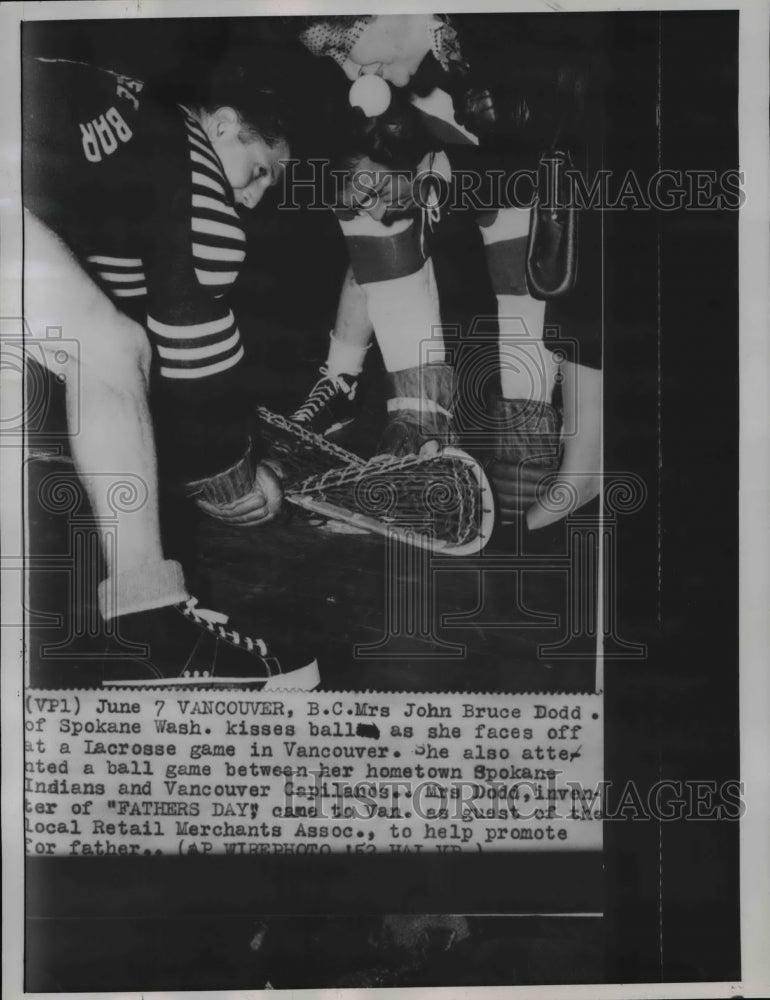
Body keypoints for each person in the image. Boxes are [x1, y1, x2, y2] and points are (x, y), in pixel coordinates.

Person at [22, 53, 319, 688]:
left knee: (99, 342)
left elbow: (124, 295)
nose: (256, 196)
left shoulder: (147, 143)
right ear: (223, 126)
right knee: (107, 346)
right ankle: (152, 633)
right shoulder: (192, 164)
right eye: (261, 171)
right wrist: (231, 476)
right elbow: (192, 350)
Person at [293, 13, 603, 530]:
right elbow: (373, 213)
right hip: (474, 158)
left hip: (558, 166)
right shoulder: (383, 83)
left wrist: (528, 428)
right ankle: (416, 432)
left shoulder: (509, 40)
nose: (351, 69)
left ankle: (532, 429)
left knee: (522, 226)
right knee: (367, 199)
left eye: (345, 45)